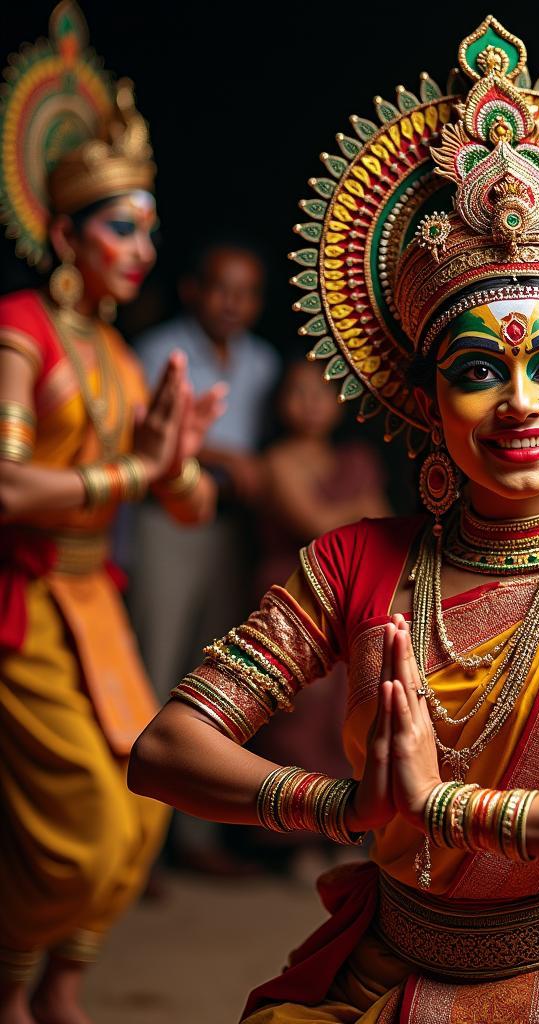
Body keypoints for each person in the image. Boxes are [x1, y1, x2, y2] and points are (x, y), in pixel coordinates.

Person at [128, 17, 539, 1022]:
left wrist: (446, 809)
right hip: (387, 972)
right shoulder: (354, 563)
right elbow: (164, 749)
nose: (519, 402)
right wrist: (342, 804)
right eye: (476, 371)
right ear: (423, 404)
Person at [0, 4, 223, 1023]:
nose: (140, 247)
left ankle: (65, 989)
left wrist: (180, 464)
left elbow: (187, 501)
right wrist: (137, 477)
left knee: (139, 811)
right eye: (120, 226)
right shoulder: (22, 334)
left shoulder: (122, 358)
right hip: (26, 601)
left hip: (93, 598)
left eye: (148, 228)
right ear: (62, 233)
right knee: (78, 827)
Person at [128, 237, 278, 872]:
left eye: (246, 293)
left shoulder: (264, 362)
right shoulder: (157, 350)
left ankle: (195, 842)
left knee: (208, 682)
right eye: (221, 289)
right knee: (149, 674)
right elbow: (139, 435)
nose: (232, 303)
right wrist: (226, 457)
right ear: (193, 290)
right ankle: (134, 850)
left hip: (228, 532)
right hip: (165, 524)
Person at [246, 359, 391, 873]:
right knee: (296, 713)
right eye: (297, 391)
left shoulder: (355, 457)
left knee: (345, 715)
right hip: (291, 590)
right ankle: (295, 840)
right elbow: (315, 524)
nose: (309, 403)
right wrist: (357, 516)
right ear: (280, 402)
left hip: (349, 593)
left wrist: (354, 519)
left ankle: (345, 831)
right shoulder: (277, 461)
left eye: (320, 393)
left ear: (339, 404)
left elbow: (377, 520)